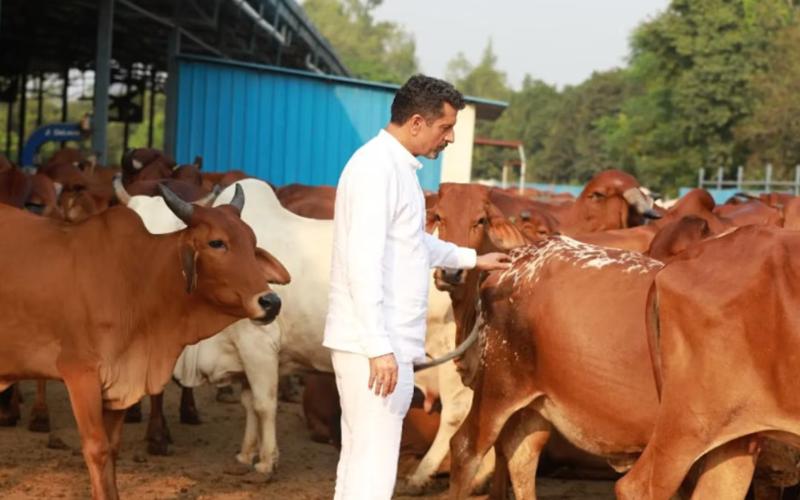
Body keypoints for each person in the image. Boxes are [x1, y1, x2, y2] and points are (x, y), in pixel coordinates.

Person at [323, 74, 511, 500]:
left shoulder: (396, 169)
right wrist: (379, 348)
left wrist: (472, 259)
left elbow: (412, 242)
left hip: (379, 342)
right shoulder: (376, 170)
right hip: (373, 345)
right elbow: (362, 263)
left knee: (361, 458)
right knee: (373, 464)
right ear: (416, 123)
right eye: (445, 127)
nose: (450, 138)